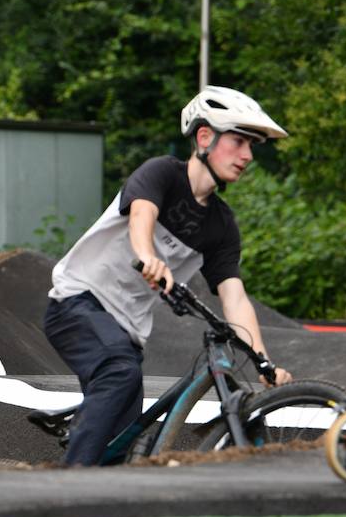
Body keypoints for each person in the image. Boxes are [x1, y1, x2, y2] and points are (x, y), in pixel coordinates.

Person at [43, 86, 294, 466]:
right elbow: (142, 215)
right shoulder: (162, 173)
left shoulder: (221, 225)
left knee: (122, 444)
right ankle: (65, 484)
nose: (248, 155)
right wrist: (147, 256)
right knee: (119, 373)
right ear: (205, 137)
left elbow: (235, 297)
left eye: (252, 146)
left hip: (127, 333)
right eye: (239, 142)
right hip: (76, 303)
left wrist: (263, 362)